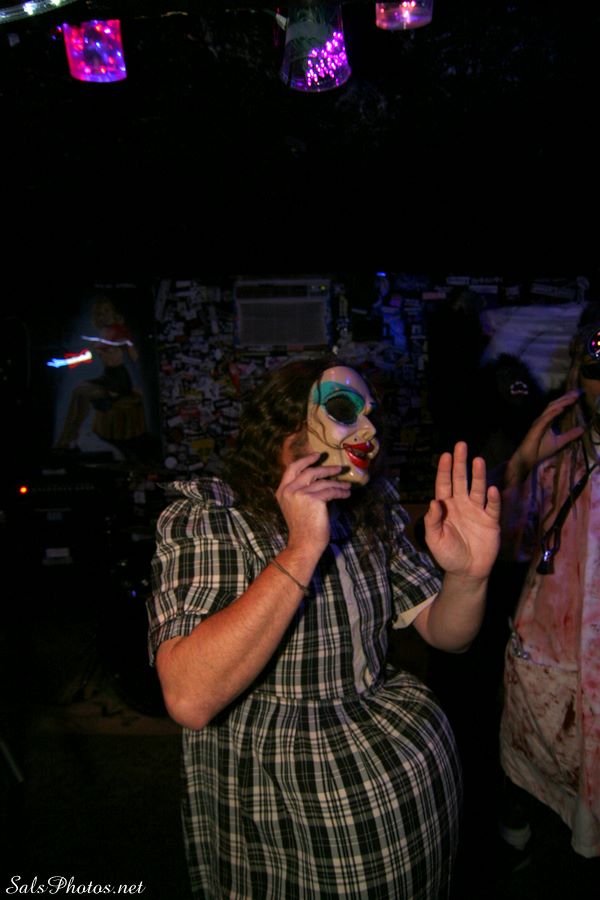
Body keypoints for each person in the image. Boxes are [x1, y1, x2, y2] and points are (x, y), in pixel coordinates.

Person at [147, 356, 501, 899]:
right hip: (279, 795)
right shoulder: (214, 515)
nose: (370, 430)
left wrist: (468, 577)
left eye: (372, 415)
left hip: (405, 794)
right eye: (344, 409)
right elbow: (189, 697)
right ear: (285, 423)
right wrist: (302, 547)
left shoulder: (369, 506)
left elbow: (448, 634)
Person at [497, 316, 600, 861]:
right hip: (548, 648)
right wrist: (521, 463)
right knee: (532, 762)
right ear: (579, 375)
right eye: (597, 367)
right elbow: (508, 542)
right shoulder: (558, 454)